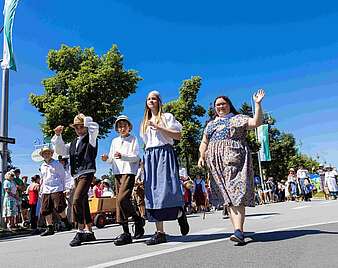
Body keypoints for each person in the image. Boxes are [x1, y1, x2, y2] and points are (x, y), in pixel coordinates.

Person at [198, 89, 265, 244]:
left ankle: (239, 231)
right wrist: (201, 156)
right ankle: (237, 230)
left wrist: (257, 104)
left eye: (223, 103)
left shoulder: (237, 119)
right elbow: (204, 143)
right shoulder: (210, 124)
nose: (220, 107)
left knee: (237, 193)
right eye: (217, 105)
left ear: (229, 105)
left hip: (235, 159)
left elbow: (256, 122)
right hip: (216, 164)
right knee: (227, 197)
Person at [140, 90, 189, 245]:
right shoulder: (144, 122)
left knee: (167, 190)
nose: (151, 101)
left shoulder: (167, 117)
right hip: (150, 155)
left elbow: (178, 135)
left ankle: (180, 212)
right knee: (152, 193)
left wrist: (159, 127)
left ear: (159, 101)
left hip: (164, 152)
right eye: (148, 99)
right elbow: (147, 143)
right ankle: (160, 232)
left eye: (153, 98)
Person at [52, 113, 99, 247]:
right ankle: (90, 232)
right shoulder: (72, 143)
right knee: (83, 202)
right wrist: (58, 135)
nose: (79, 129)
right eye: (76, 127)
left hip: (87, 173)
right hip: (77, 175)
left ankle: (80, 230)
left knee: (76, 200)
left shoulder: (91, 138)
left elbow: (94, 128)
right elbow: (60, 150)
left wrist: (86, 121)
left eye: (81, 126)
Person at [102, 115, 145, 246]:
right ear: (117, 129)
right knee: (120, 202)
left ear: (129, 127)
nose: (122, 128)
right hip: (117, 173)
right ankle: (129, 229)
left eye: (124, 126)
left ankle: (136, 221)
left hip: (128, 172)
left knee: (121, 199)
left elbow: (136, 157)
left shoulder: (133, 139)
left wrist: (123, 156)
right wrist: (106, 159)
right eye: (119, 126)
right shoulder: (114, 141)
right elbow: (111, 159)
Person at [39, 146, 72, 236]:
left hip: (57, 188)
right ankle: (50, 228)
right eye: (45, 153)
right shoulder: (42, 166)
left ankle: (66, 222)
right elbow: (43, 178)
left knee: (59, 207)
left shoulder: (57, 164)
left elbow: (63, 176)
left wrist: (65, 188)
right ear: (42, 155)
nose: (46, 155)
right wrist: (41, 190)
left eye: (48, 153)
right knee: (45, 209)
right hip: (46, 189)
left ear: (51, 154)